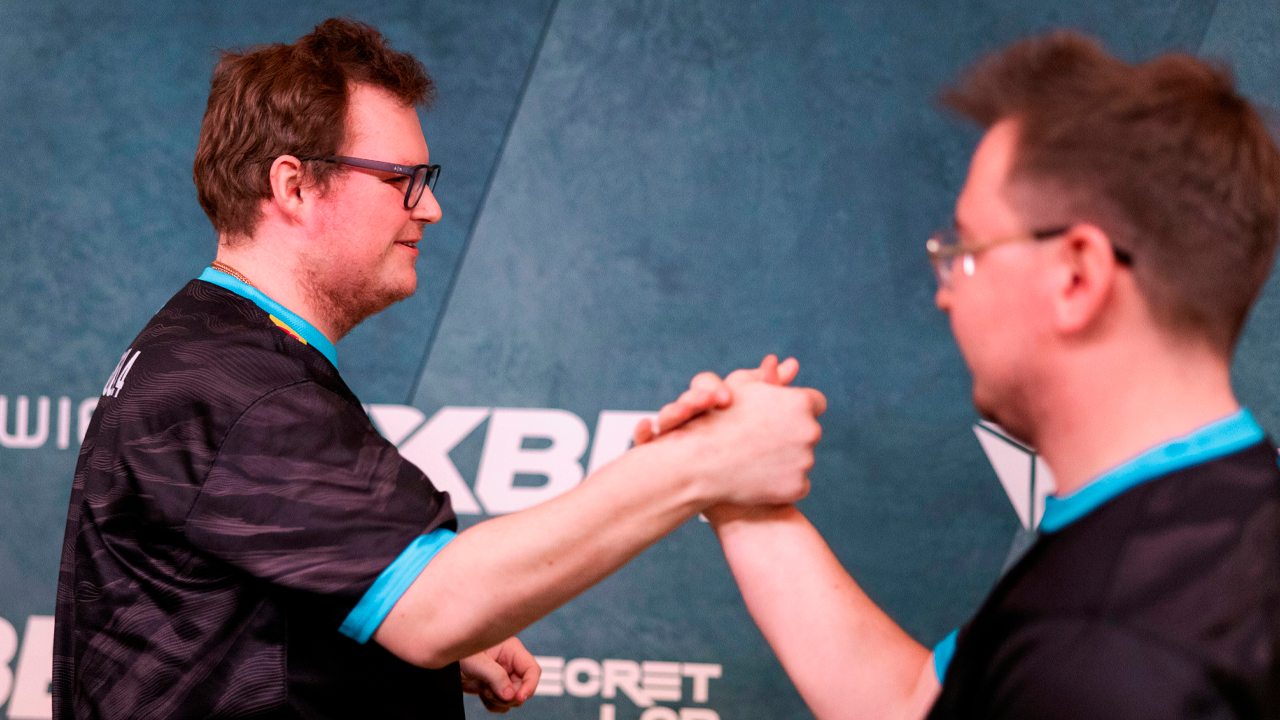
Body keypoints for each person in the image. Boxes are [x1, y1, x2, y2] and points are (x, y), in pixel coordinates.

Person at [52, 18, 826, 720]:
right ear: (293, 186)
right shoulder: (240, 385)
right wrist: (706, 463)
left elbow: (239, 616)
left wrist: (399, 649)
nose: (429, 210)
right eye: (401, 182)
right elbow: (438, 604)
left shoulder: (210, 348)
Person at [641, 32, 1280, 719]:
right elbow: (915, 706)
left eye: (965, 251)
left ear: (1076, 276)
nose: (946, 291)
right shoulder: (1195, 535)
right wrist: (737, 496)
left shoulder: (1102, 653)